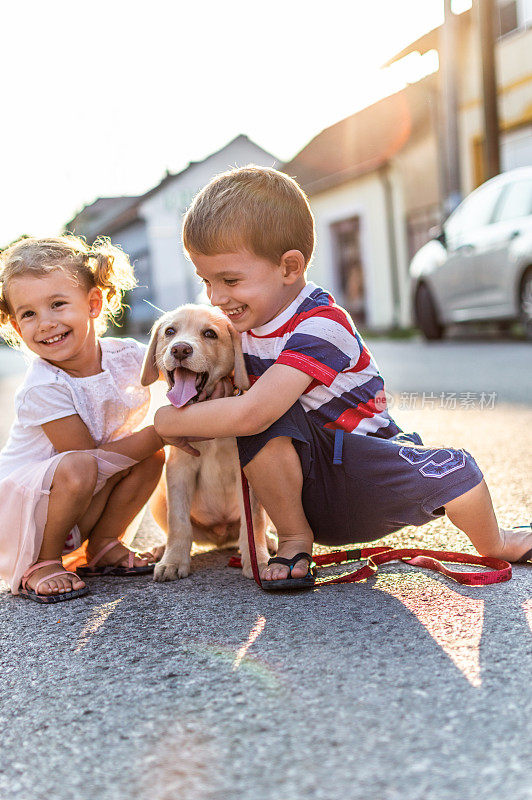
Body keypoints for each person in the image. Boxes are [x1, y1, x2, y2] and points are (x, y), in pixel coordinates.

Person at [154, 166, 532, 591]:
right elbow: (235, 392)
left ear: (289, 267)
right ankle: (295, 539)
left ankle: (496, 541)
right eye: (207, 281)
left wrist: (167, 422)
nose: (217, 298)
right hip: (301, 494)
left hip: (362, 469)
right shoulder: (242, 331)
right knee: (261, 412)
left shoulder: (322, 324)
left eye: (230, 280)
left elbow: (253, 412)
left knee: (458, 472)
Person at [0, 235, 166, 603]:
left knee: (151, 458)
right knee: (83, 463)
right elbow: (88, 462)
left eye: (58, 304)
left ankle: (105, 544)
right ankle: (43, 563)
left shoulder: (127, 355)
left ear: (93, 303)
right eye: (28, 313)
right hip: (30, 514)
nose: (45, 323)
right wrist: (162, 431)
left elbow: (176, 366)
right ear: (15, 326)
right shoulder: (42, 386)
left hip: (81, 503)